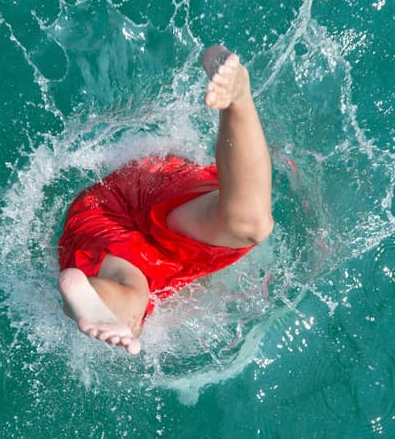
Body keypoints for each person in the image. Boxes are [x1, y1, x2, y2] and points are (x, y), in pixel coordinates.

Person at [57, 45, 273, 354]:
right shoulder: (188, 275)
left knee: (133, 305)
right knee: (247, 224)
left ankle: (90, 296)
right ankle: (237, 99)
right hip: (137, 195)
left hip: (116, 215)